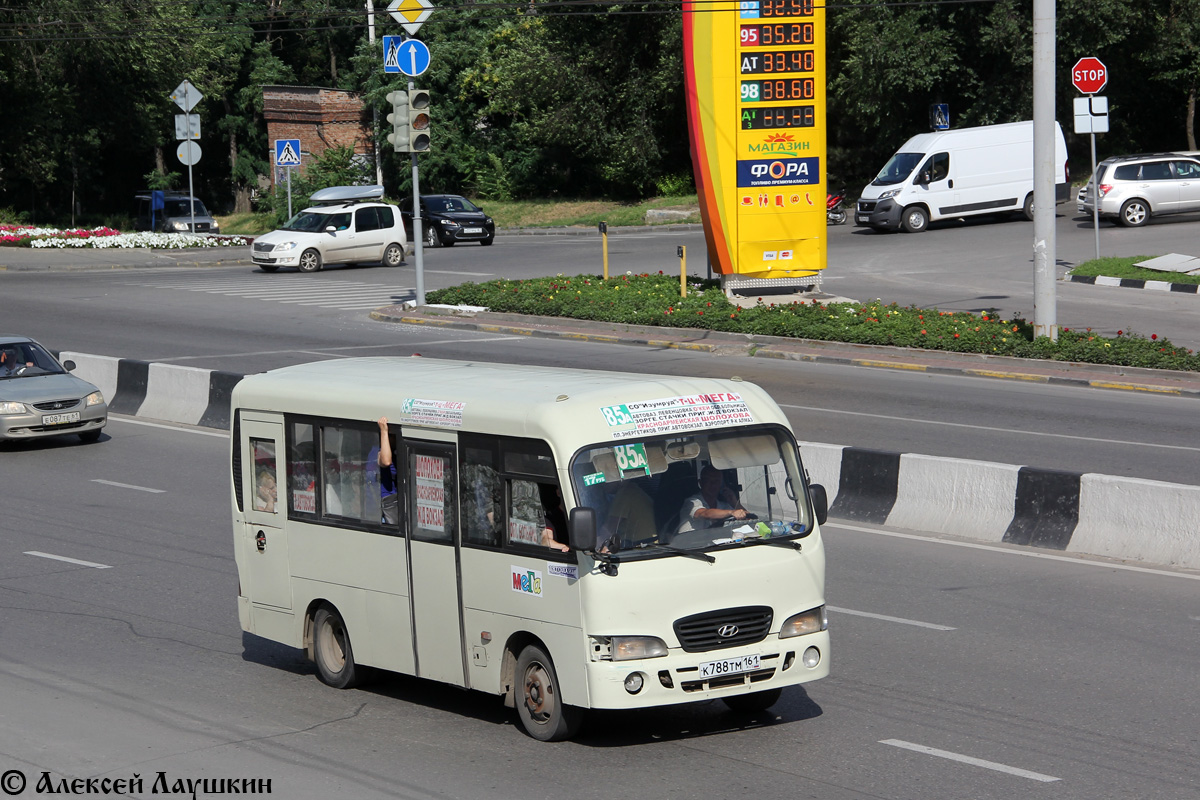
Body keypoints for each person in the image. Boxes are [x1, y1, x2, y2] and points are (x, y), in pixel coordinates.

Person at [676, 465, 748, 533]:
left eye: (716, 481)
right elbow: (704, 513)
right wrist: (731, 512)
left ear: (721, 484)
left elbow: (748, 519)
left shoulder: (723, 506)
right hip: (689, 544)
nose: (713, 484)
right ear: (701, 483)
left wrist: (735, 503)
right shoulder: (692, 502)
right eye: (708, 481)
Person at [599, 479, 656, 549]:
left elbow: (609, 528)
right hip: (651, 544)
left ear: (619, 479)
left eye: (607, 478)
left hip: (639, 546)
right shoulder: (635, 491)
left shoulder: (625, 493)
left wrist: (596, 546)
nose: (602, 483)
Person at [377, 416, 398, 525]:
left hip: (393, 501)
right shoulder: (378, 450)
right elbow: (385, 461)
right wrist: (384, 431)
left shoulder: (396, 453)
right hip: (387, 503)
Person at [538, 483, 570, 552]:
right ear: (558, 493)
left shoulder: (587, 514)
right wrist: (565, 546)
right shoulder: (550, 517)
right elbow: (546, 541)